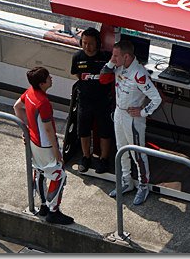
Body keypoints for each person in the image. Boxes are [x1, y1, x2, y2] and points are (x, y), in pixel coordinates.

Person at [99, 40, 163, 205]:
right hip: (119, 114)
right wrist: (111, 62)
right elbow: (103, 79)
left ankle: (143, 185)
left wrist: (142, 112)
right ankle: (126, 181)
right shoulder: (118, 66)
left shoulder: (139, 73)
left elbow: (157, 99)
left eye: (115, 55)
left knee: (137, 153)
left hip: (133, 119)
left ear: (126, 56)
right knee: (121, 150)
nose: (113, 58)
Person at [13, 67, 74, 225]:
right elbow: (48, 128)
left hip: (33, 143)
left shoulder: (29, 93)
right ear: (41, 83)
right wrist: (55, 149)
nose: (51, 78)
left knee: (39, 172)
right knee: (59, 175)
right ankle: (54, 211)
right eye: (48, 77)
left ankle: (43, 206)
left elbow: (16, 107)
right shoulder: (44, 102)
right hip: (46, 146)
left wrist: (25, 130)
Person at [71, 27, 114, 174]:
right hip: (84, 100)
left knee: (105, 131)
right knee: (83, 130)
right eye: (84, 43)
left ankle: (103, 159)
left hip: (103, 101)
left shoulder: (107, 57)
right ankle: (85, 157)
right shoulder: (77, 57)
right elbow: (77, 74)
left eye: (90, 43)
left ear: (98, 43)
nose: (87, 47)